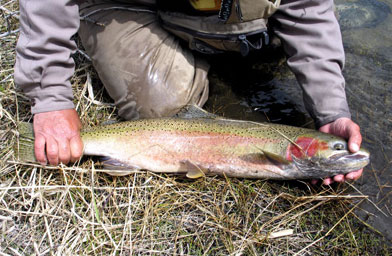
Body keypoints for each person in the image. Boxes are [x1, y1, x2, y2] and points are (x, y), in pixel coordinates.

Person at [14, 0, 363, 185]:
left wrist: (332, 111)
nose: (340, 152)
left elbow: (308, 11)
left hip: (217, 12)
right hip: (130, 7)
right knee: (166, 106)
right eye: (333, 150)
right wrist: (50, 96)